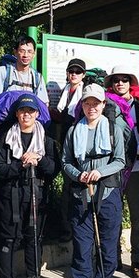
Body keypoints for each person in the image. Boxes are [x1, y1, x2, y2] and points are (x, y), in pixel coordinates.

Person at [62, 83, 125, 278]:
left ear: (103, 104)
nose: (92, 107)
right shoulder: (73, 130)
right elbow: (66, 161)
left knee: (107, 245)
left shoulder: (113, 129)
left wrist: (100, 172)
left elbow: (120, 161)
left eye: (96, 103)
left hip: (107, 194)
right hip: (81, 194)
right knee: (82, 245)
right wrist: (79, 175)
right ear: (82, 104)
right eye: (87, 103)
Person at [0, 94, 59, 278]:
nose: (26, 114)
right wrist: (19, 165)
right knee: (9, 239)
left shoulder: (46, 140)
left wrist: (38, 160)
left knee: (33, 238)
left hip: (36, 195)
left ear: (37, 114)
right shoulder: (6, 137)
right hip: (10, 196)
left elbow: (54, 169)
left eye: (31, 111)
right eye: (22, 111)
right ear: (17, 114)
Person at [104, 65, 139, 278]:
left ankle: (138, 260)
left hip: (137, 169)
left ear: (130, 82)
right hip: (112, 170)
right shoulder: (106, 106)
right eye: (116, 79)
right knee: (112, 215)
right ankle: (112, 257)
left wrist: (135, 152)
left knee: (138, 217)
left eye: (124, 79)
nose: (120, 83)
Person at [54, 58, 87, 241]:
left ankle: (79, 228)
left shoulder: (84, 93)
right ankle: (67, 229)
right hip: (66, 145)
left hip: (80, 147)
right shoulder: (65, 91)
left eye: (78, 71)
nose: (74, 74)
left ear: (83, 75)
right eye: (71, 71)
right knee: (67, 188)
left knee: (79, 188)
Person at [0, 35, 49, 105]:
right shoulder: (3, 72)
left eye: (29, 51)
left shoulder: (38, 78)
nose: (26, 55)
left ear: (34, 54)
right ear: (15, 52)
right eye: (22, 51)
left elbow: (43, 104)